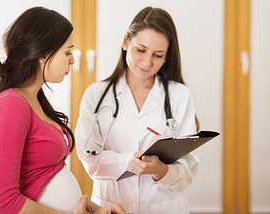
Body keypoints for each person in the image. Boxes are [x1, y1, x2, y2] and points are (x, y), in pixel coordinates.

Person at [0, 7, 125, 214]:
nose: (72, 59)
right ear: (44, 54)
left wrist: (97, 209)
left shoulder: (35, 100)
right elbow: (5, 204)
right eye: (68, 51)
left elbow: (48, 174)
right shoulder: (11, 105)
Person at [75, 6, 200, 214]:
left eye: (158, 55)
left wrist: (161, 171)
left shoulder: (180, 96)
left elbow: (188, 171)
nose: (147, 62)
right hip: (110, 205)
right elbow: (90, 160)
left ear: (167, 57)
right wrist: (136, 158)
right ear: (125, 41)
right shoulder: (96, 95)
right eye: (140, 50)